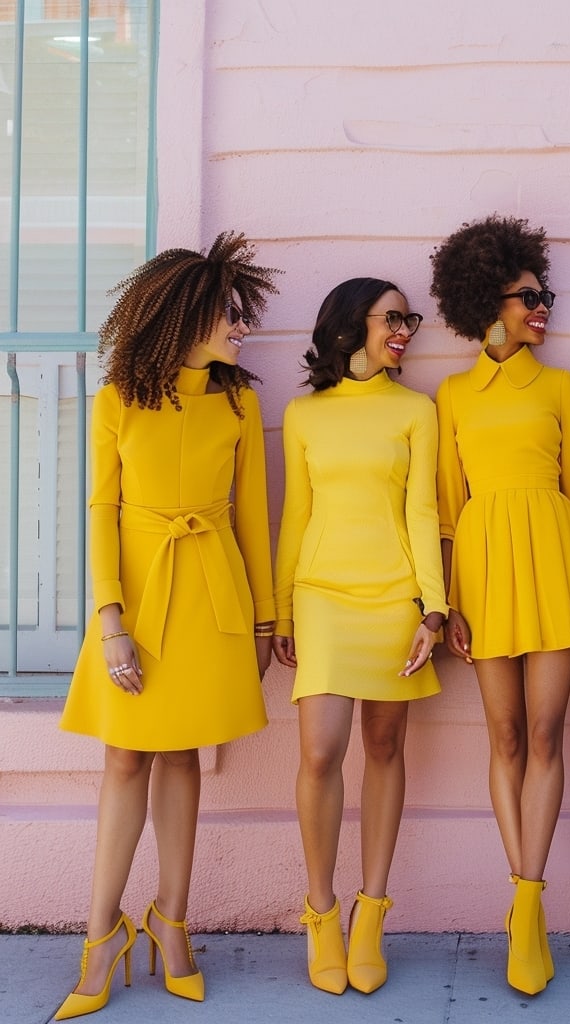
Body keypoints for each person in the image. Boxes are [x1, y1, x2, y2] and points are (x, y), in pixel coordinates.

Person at [57, 232, 279, 1019]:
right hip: (141, 599)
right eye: (230, 314)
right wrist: (110, 619)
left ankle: (171, 923)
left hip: (214, 594)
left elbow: (253, 515)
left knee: (184, 756)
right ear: (185, 314)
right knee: (126, 759)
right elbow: (101, 511)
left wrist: (264, 620)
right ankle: (100, 935)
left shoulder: (240, 402)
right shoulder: (119, 395)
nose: (242, 327)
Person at [429, 214, 570, 995]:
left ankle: (529, 902)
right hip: (483, 568)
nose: (542, 307)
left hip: (557, 558)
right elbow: (445, 508)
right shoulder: (453, 393)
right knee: (502, 735)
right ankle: (520, 890)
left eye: (546, 295)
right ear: (484, 302)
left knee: (545, 732)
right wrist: (446, 603)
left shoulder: (563, 386)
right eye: (526, 296)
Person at [272, 278, 445, 996]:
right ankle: (321, 912)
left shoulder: (416, 411)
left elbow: (422, 511)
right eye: (391, 318)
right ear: (351, 326)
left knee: (384, 746)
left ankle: (372, 914)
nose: (404, 329)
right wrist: (281, 611)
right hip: (322, 596)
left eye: (409, 319)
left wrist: (433, 609)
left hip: (393, 597)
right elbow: (295, 516)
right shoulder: (304, 413)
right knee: (320, 752)